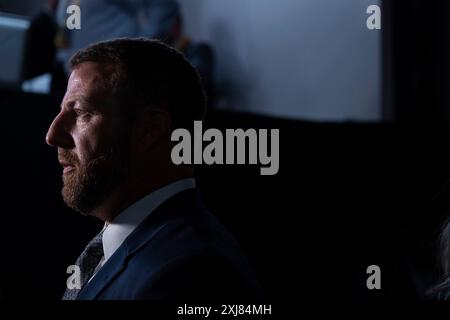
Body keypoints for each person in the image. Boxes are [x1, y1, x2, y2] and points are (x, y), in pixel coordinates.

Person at [45, 38, 262, 301]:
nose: (53, 135)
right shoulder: (128, 244)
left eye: (80, 112)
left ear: (150, 129)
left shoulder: (193, 272)